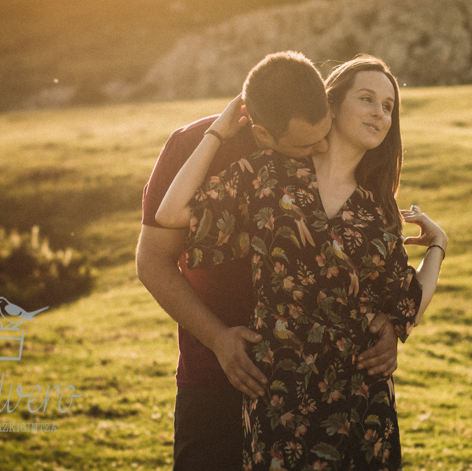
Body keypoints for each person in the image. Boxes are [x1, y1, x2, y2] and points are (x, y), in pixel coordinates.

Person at [157, 55, 447, 470]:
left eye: (388, 107)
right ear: (331, 105)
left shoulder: (378, 209)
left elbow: (404, 306)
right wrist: (219, 131)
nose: (379, 114)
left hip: (361, 410)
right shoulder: (268, 175)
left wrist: (438, 247)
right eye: (366, 98)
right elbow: (172, 213)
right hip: (278, 403)